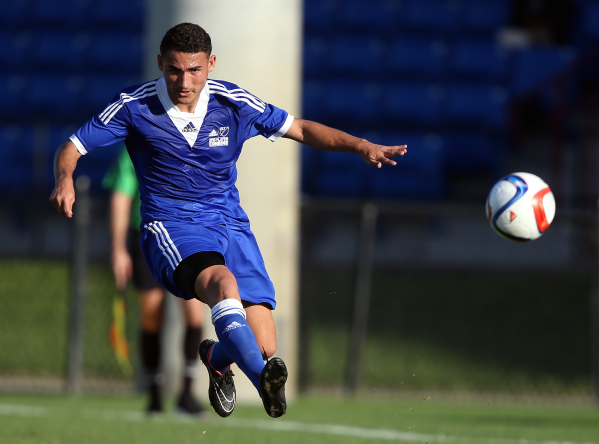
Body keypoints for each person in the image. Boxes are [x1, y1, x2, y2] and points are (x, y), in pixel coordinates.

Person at [50, 23, 407, 418]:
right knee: (224, 284)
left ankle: (218, 360)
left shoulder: (233, 102)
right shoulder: (134, 106)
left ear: (211, 64)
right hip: (171, 226)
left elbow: (301, 128)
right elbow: (73, 145)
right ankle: (265, 386)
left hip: (230, 224)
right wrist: (65, 178)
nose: (184, 81)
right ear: (160, 64)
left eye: (194, 70)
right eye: (174, 70)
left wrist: (360, 145)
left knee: (264, 343)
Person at [103, 147, 207, 416]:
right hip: (148, 238)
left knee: (194, 314)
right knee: (152, 316)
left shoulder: (193, 141)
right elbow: (121, 197)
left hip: (189, 237)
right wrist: (118, 249)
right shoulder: (136, 145)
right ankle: (154, 396)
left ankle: (186, 393)